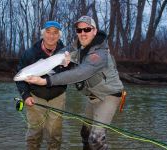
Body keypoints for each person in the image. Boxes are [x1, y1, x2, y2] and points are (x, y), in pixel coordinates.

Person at [25, 16, 124, 150]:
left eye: (87, 29)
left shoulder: (100, 53)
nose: (82, 33)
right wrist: (61, 59)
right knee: (85, 133)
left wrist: (46, 81)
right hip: (93, 97)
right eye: (79, 30)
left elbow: (80, 73)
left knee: (96, 139)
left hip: (109, 96)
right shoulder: (76, 45)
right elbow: (61, 53)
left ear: (94, 31)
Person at [15, 21, 68, 150]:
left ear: (59, 35)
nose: (51, 36)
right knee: (34, 134)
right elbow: (19, 79)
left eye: (55, 33)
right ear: (43, 34)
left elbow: (75, 74)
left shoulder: (66, 52)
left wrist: (70, 64)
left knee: (55, 135)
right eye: (48, 32)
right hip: (35, 97)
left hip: (58, 97)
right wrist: (25, 96)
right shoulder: (30, 53)